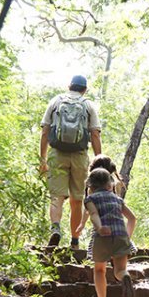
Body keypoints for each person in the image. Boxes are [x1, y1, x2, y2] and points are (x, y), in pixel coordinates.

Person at [39, 75, 101, 249]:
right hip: (80, 156)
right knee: (77, 199)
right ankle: (74, 242)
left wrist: (43, 159)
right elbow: (95, 134)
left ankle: (55, 229)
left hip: (56, 154)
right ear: (84, 89)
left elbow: (45, 131)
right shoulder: (88, 105)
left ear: (69, 86)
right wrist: (98, 160)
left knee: (56, 196)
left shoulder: (56, 101)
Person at [77, 167, 137, 297]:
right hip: (120, 236)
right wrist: (127, 237)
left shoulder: (90, 199)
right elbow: (132, 219)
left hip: (102, 238)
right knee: (119, 270)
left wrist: (100, 227)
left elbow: (93, 214)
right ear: (110, 185)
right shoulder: (118, 199)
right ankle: (125, 277)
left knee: (99, 270)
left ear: (90, 186)